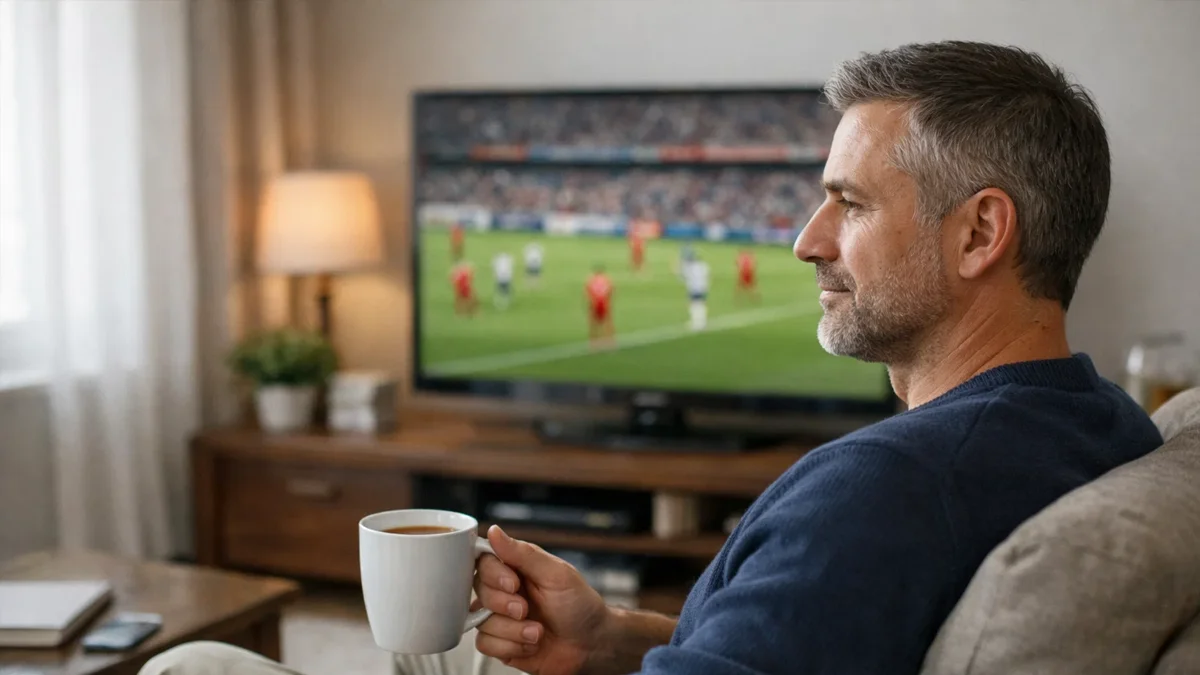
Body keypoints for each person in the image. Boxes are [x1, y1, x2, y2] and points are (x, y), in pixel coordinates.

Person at [139, 41, 1163, 675]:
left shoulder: (882, 488)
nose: (805, 239)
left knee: (191, 665)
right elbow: (814, 638)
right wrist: (612, 640)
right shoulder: (1108, 422)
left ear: (981, 234)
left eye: (848, 203)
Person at [585, 265, 614, 348]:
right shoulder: (607, 279)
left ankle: (593, 343)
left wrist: (590, 304)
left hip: (595, 303)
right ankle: (610, 342)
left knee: (593, 324)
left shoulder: (591, 279)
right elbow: (611, 290)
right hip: (604, 302)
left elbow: (587, 292)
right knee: (607, 322)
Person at [681, 256, 709, 331]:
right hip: (703, 288)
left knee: (694, 306)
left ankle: (696, 323)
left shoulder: (691, 268)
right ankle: (702, 322)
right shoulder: (703, 266)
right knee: (701, 305)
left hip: (694, 289)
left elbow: (684, 277)